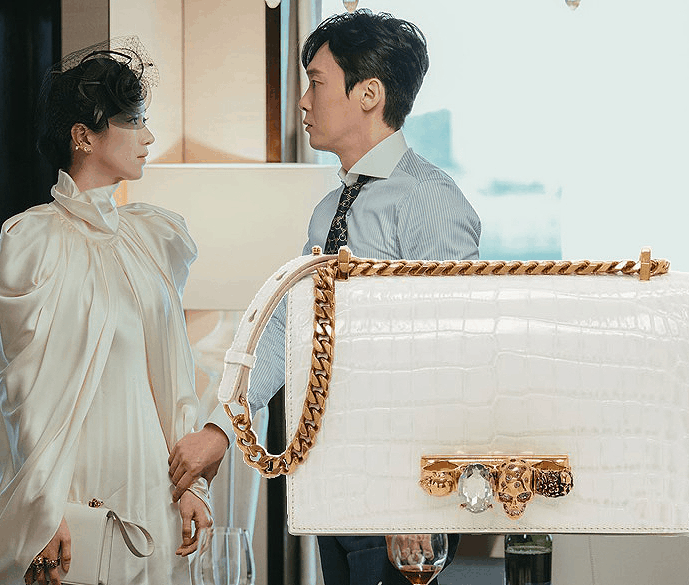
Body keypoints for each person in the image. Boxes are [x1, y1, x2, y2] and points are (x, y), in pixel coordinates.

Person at [170, 10, 480, 585]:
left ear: (369, 94)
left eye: (316, 82)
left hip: (398, 494)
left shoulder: (430, 201)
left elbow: (447, 357)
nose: (304, 101)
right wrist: (220, 430)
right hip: (334, 480)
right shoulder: (326, 212)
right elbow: (290, 329)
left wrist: (416, 499)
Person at [0, 38, 230, 585]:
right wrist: (43, 510)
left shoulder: (150, 237)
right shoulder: (33, 243)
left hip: (153, 485)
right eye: (133, 121)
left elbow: (172, 374)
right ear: (84, 136)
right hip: (75, 490)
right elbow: (23, 394)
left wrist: (191, 485)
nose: (148, 136)